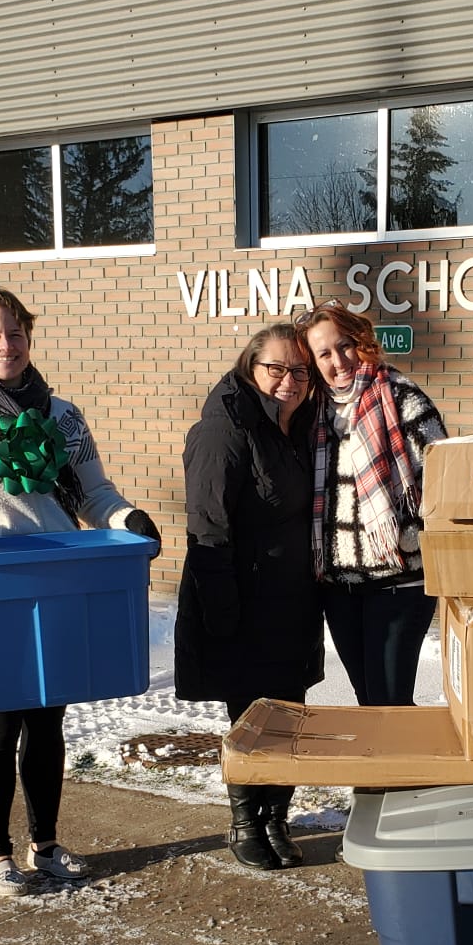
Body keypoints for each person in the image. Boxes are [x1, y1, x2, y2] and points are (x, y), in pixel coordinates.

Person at [0, 286, 161, 897]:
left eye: (14, 334)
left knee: (47, 722)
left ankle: (45, 843)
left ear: (29, 338)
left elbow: (95, 495)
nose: (4, 346)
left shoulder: (63, 417)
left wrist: (128, 520)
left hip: (57, 580)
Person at [176, 324, 325, 871]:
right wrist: (222, 614)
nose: (290, 380)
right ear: (250, 368)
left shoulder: (300, 426)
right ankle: (244, 820)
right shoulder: (224, 429)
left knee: (289, 714)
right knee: (251, 719)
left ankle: (277, 818)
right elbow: (208, 528)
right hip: (239, 601)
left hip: (292, 603)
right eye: (277, 369)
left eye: (300, 371)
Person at [298, 301, 448, 706]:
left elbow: (444, 485)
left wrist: (410, 536)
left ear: (360, 342)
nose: (338, 360)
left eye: (344, 346)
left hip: (399, 582)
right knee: (368, 701)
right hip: (339, 587)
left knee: (390, 703)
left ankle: (408, 770)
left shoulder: (402, 398)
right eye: (324, 353)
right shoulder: (313, 412)